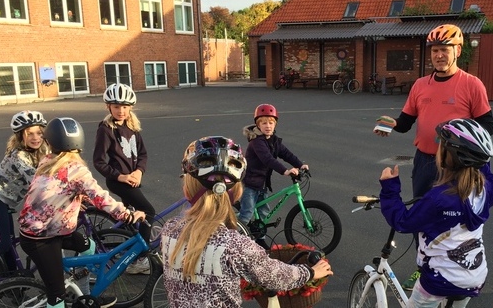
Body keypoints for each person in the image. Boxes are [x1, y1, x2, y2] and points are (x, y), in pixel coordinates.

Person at [374, 24, 493, 289]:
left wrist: (463, 147)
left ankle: (462, 269)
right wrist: (391, 123)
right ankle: (424, 268)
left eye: (445, 50)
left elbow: (487, 126)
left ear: (458, 50)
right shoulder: (420, 85)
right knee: (421, 218)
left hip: (458, 167)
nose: (439, 55)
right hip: (426, 161)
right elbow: (406, 122)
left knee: (458, 221)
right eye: (435, 50)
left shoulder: (471, 84)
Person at [161, 136, 332, 308]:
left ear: (187, 188)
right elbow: (275, 276)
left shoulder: (170, 229)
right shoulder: (234, 245)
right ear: (236, 191)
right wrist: (310, 272)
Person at [18, 117, 146, 308]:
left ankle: (85, 297)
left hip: (56, 230)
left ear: (49, 142)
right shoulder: (76, 170)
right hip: (41, 239)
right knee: (57, 293)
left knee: (89, 248)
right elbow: (100, 197)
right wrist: (126, 214)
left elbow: (58, 188)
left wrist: (77, 198)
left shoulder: (48, 160)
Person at [379, 119, 493, 308]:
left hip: (439, 280)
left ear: (448, 156)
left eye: (439, 145)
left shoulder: (439, 199)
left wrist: (389, 188)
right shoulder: (485, 190)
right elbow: (489, 176)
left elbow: (402, 222)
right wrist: (481, 160)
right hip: (474, 276)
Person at [93, 83, 155, 274]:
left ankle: (128, 249)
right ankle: (140, 259)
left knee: (132, 217)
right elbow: (99, 161)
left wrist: (138, 172)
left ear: (131, 108)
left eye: (125, 107)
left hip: (133, 179)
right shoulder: (106, 129)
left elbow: (142, 154)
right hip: (118, 181)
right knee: (148, 211)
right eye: (117, 106)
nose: (121, 111)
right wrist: (121, 176)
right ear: (108, 107)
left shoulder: (132, 127)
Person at [238, 103, 309, 249]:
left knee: (264, 212)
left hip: (262, 184)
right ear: (258, 125)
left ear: (275, 124)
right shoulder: (256, 142)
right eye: (263, 123)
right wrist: (285, 171)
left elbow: (286, 154)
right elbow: (268, 159)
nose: (268, 126)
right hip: (250, 183)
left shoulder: (274, 141)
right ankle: (235, 241)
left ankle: (260, 238)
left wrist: (300, 164)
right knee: (247, 213)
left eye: (271, 122)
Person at [0, 111, 49, 274]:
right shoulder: (18, 155)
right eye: (30, 133)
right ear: (20, 135)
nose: (35, 137)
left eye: (39, 132)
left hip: (6, 201)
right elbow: (37, 181)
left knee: (9, 244)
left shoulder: (42, 150)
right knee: (2, 243)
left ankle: (11, 282)